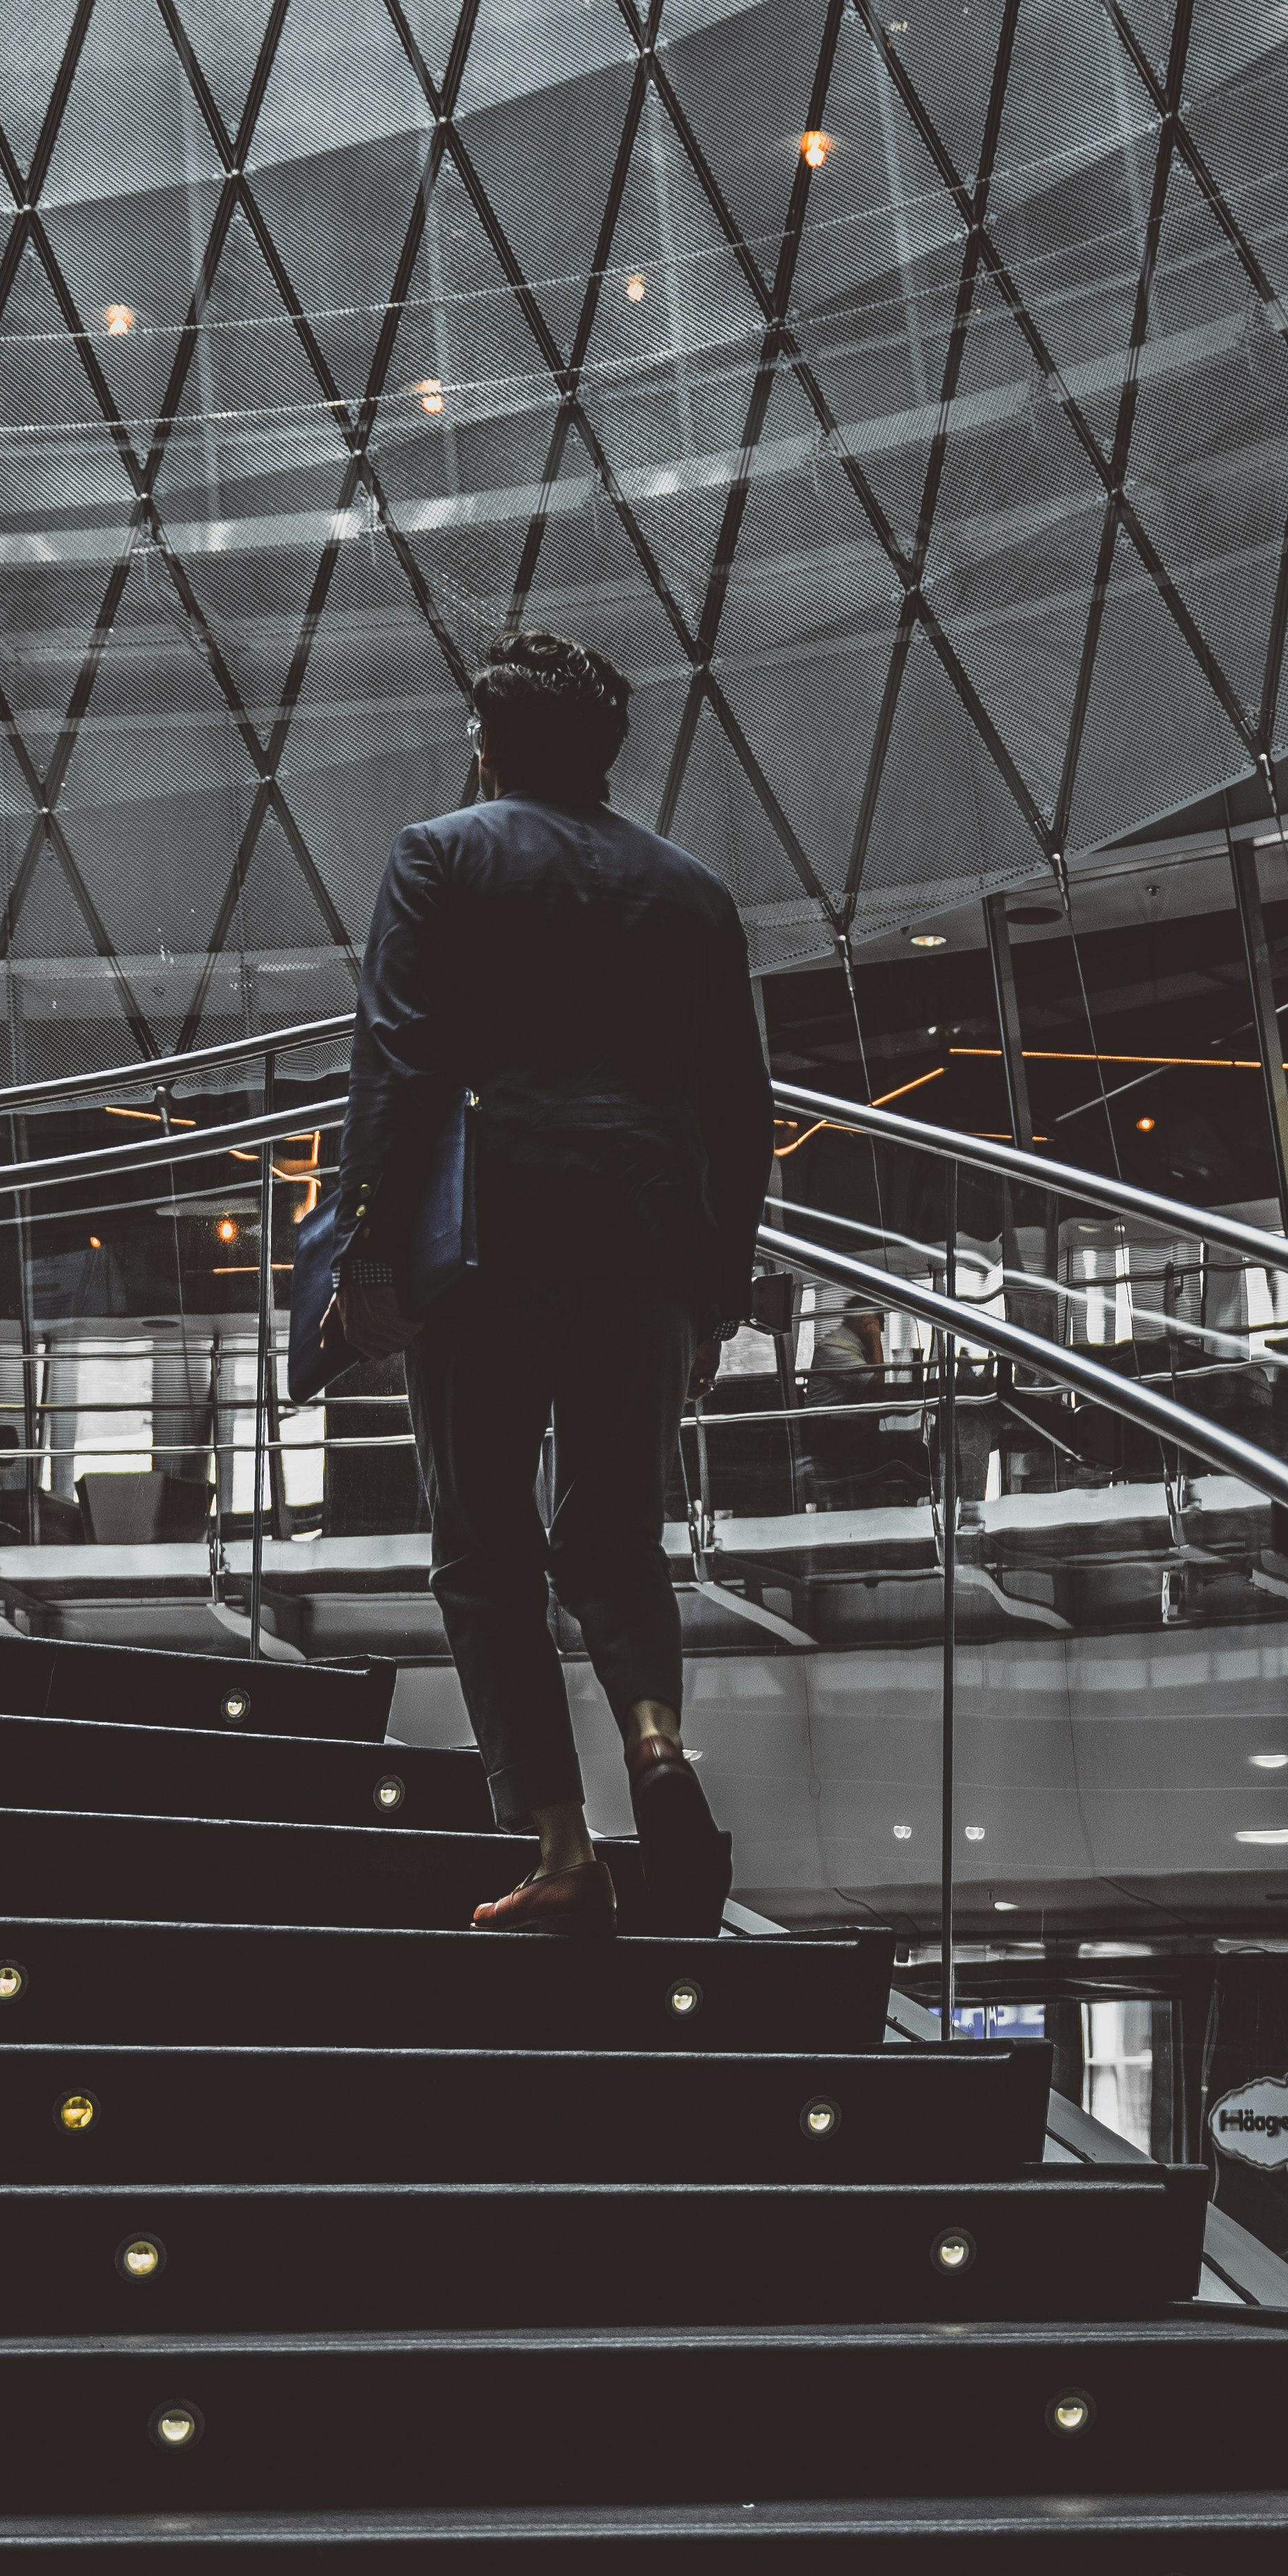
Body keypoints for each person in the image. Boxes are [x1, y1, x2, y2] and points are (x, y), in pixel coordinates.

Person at [330, 632, 773, 1931]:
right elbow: (739, 1113)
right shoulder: (692, 892)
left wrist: (365, 1245)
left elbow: (400, 1063)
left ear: (490, 740)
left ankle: (563, 1850)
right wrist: (719, 1290)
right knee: (615, 1534)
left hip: (492, 1244)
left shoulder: (441, 854)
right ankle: (653, 1743)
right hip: (646, 1254)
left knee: (483, 1548)